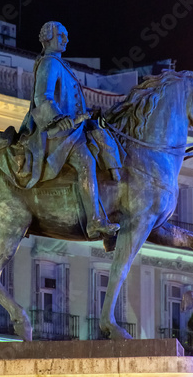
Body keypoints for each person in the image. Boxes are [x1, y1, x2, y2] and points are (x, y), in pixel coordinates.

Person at [17, 21, 123, 238]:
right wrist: (59, 119)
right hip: (57, 132)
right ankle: (94, 222)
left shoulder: (60, 64)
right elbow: (41, 97)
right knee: (87, 161)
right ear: (48, 37)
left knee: (103, 140)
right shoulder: (49, 63)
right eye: (61, 35)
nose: (66, 40)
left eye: (66, 35)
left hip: (73, 128)